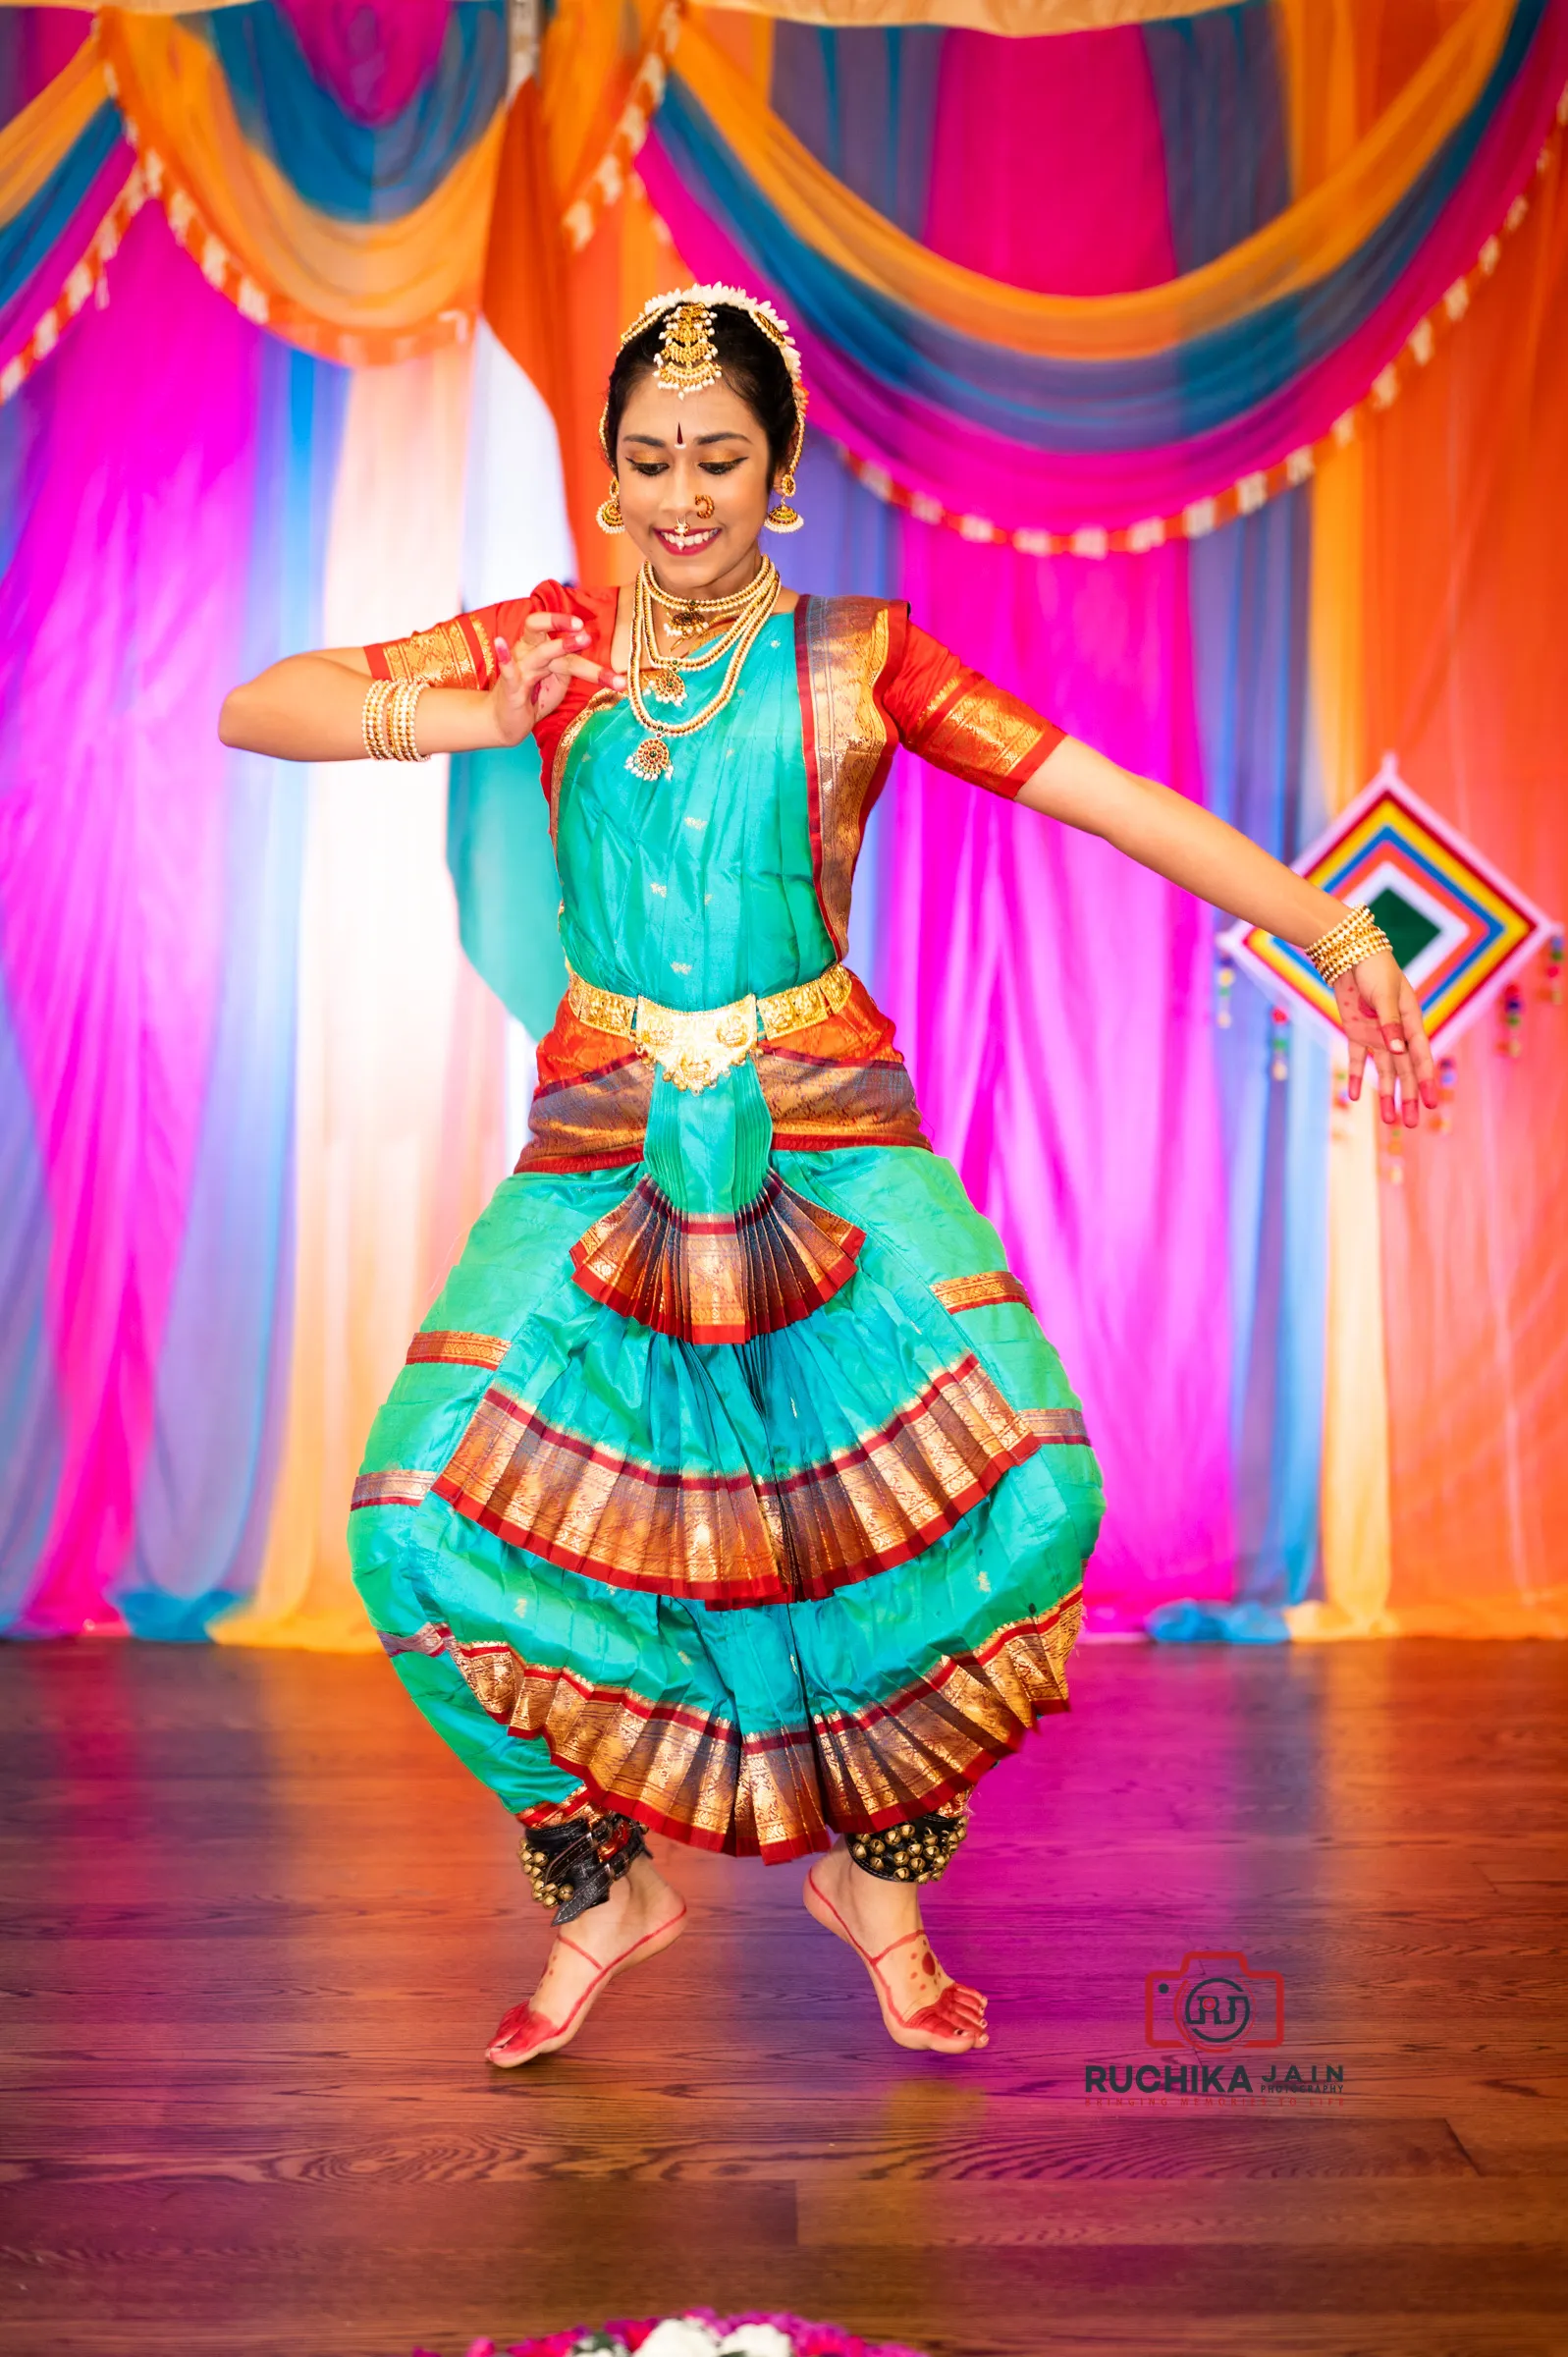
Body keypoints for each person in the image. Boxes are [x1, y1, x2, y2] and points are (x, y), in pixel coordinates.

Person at [220, 285, 1437, 2068]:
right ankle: (598, 1881)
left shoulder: (863, 660)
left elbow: (1101, 794)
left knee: (1041, 1498)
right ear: (611, 472)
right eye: (649, 460)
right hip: (601, 1146)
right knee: (405, 1521)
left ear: (779, 473)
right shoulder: (547, 643)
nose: (681, 496)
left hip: (832, 1129)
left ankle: (880, 1871)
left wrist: (1334, 929)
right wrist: (466, 718)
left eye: (719, 460)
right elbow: (261, 706)